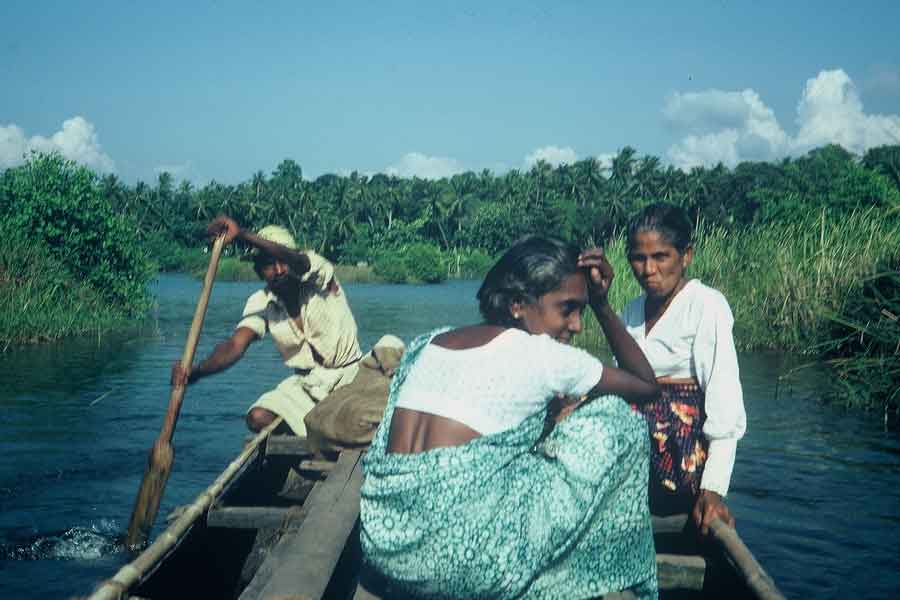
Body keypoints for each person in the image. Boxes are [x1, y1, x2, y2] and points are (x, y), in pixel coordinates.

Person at [360, 236, 661, 600]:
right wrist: (601, 303)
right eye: (567, 309)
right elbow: (646, 386)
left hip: (386, 545)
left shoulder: (430, 342)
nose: (577, 325)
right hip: (457, 564)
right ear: (518, 305)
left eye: (582, 310)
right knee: (619, 418)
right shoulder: (544, 356)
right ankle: (601, 564)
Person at [171, 215, 363, 435]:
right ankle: (316, 430)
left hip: (351, 376)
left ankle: (325, 428)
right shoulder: (261, 302)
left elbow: (300, 262)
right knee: (258, 417)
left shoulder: (318, 276)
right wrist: (194, 373)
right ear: (259, 270)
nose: (280, 270)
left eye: (283, 262)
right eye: (269, 265)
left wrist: (242, 234)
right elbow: (234, 346)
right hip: (309, 386)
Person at [620, 203, 747, 535]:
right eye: (638, 258)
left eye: (661, 256)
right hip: (638, 457)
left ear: (685, 255)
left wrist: (714, 488)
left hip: (682, 460)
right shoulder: (631, 311)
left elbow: (725, 401)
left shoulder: (705, 304)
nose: (648, 269)